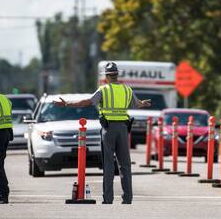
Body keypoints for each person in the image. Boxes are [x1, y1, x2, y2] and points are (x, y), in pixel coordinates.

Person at [54, 62, 151, 204]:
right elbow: (137, 103)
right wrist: (143, 103)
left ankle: (108, 198)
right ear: (117, 74)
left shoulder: (103, 90)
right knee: (125, 164)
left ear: (106, 76)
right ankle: (127, 198)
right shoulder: (127, 90)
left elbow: (87, 102)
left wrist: (67, 104)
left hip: (108, 129)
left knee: (108, 164)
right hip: (123, 129)